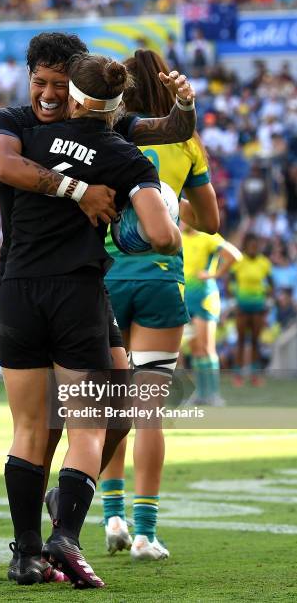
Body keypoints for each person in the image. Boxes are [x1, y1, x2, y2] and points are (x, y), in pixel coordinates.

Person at [0, 32, 196, 583]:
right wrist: (89, 196)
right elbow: (165, 232)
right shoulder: (39, 129)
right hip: (76, 294)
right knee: (88, 427)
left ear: (73, 89)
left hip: (21, 292)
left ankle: (28, 552)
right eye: (39, 82)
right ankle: (62, 533)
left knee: (52, 422)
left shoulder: (33, 137)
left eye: (57, 84)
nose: (47, 93)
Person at [98, 49, 219, 560]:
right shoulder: (186, 141)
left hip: (102, 280)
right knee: (149, 411)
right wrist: (170, 201)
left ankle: (111, 518)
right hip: (159, 279)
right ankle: (146, 533)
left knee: (105, 405)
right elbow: (210, 221)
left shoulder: (103, 133)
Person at [183, 225, 242, 404]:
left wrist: (214, 275)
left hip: (204, 299)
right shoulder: (177, 237)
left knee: (206, 347)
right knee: (194, 349)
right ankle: (201, 393)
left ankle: (213, 394)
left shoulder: (208, 237)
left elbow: (235, 256)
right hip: (185, 299)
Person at [231, 233, 273, 387]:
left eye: (256, 246)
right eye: (251, 246)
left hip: (258, 307)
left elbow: (271, 283)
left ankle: (255, 376)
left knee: (256, 341)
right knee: (241, 341)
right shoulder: (239, 261)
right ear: (246, 246)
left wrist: (267, 298)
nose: (254, 248)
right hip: (242, 306)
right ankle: (238, 375)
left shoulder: (264, 263)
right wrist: (233, 300)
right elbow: (231, 281)